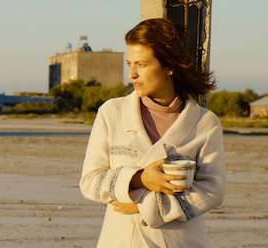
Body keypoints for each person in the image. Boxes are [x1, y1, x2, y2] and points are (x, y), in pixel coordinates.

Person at [79, 18, 226, 247]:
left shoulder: (204, 123)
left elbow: (212, 190)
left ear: (169, 66)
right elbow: (90, 181)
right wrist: (139, 178)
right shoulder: (111, 113)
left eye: (142, 64)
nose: (132, 75)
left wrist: (145, 205)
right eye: (129, 64)